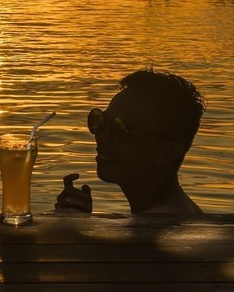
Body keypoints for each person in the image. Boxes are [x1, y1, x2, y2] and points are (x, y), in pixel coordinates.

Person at [55, 68, 205, 215]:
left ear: (167, 153)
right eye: (100, 120)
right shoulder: (171, 216)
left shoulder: (155, 228)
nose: (102, 137)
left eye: (119, 129)